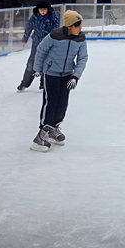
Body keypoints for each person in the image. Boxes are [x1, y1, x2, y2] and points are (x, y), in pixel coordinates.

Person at [31, 10, 88, 152]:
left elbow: (82, 58)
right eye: (77, 26)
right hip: (51, 74)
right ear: (69, 26)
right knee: (50, 103)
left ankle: (54, 129)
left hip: (67, 75)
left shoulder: (80, 39)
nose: (80, 29)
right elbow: (41, 50)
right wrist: (37, 68)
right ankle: (40, 136)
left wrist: (76, 76)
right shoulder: (54, 36)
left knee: (62, 104)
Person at [18, 0, 59, 91]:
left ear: (48, 9)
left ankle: (44, 83)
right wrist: (24, 39)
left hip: (49, 45)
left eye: (44, 9)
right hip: (36, 43)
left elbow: (56, 31)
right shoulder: (35, 17)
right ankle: (25, 83)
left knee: (47, 63)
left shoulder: (53, 18)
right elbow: (28, 28)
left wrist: (56, 42)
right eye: (40, 10)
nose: (42, 12)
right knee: (32, 63)